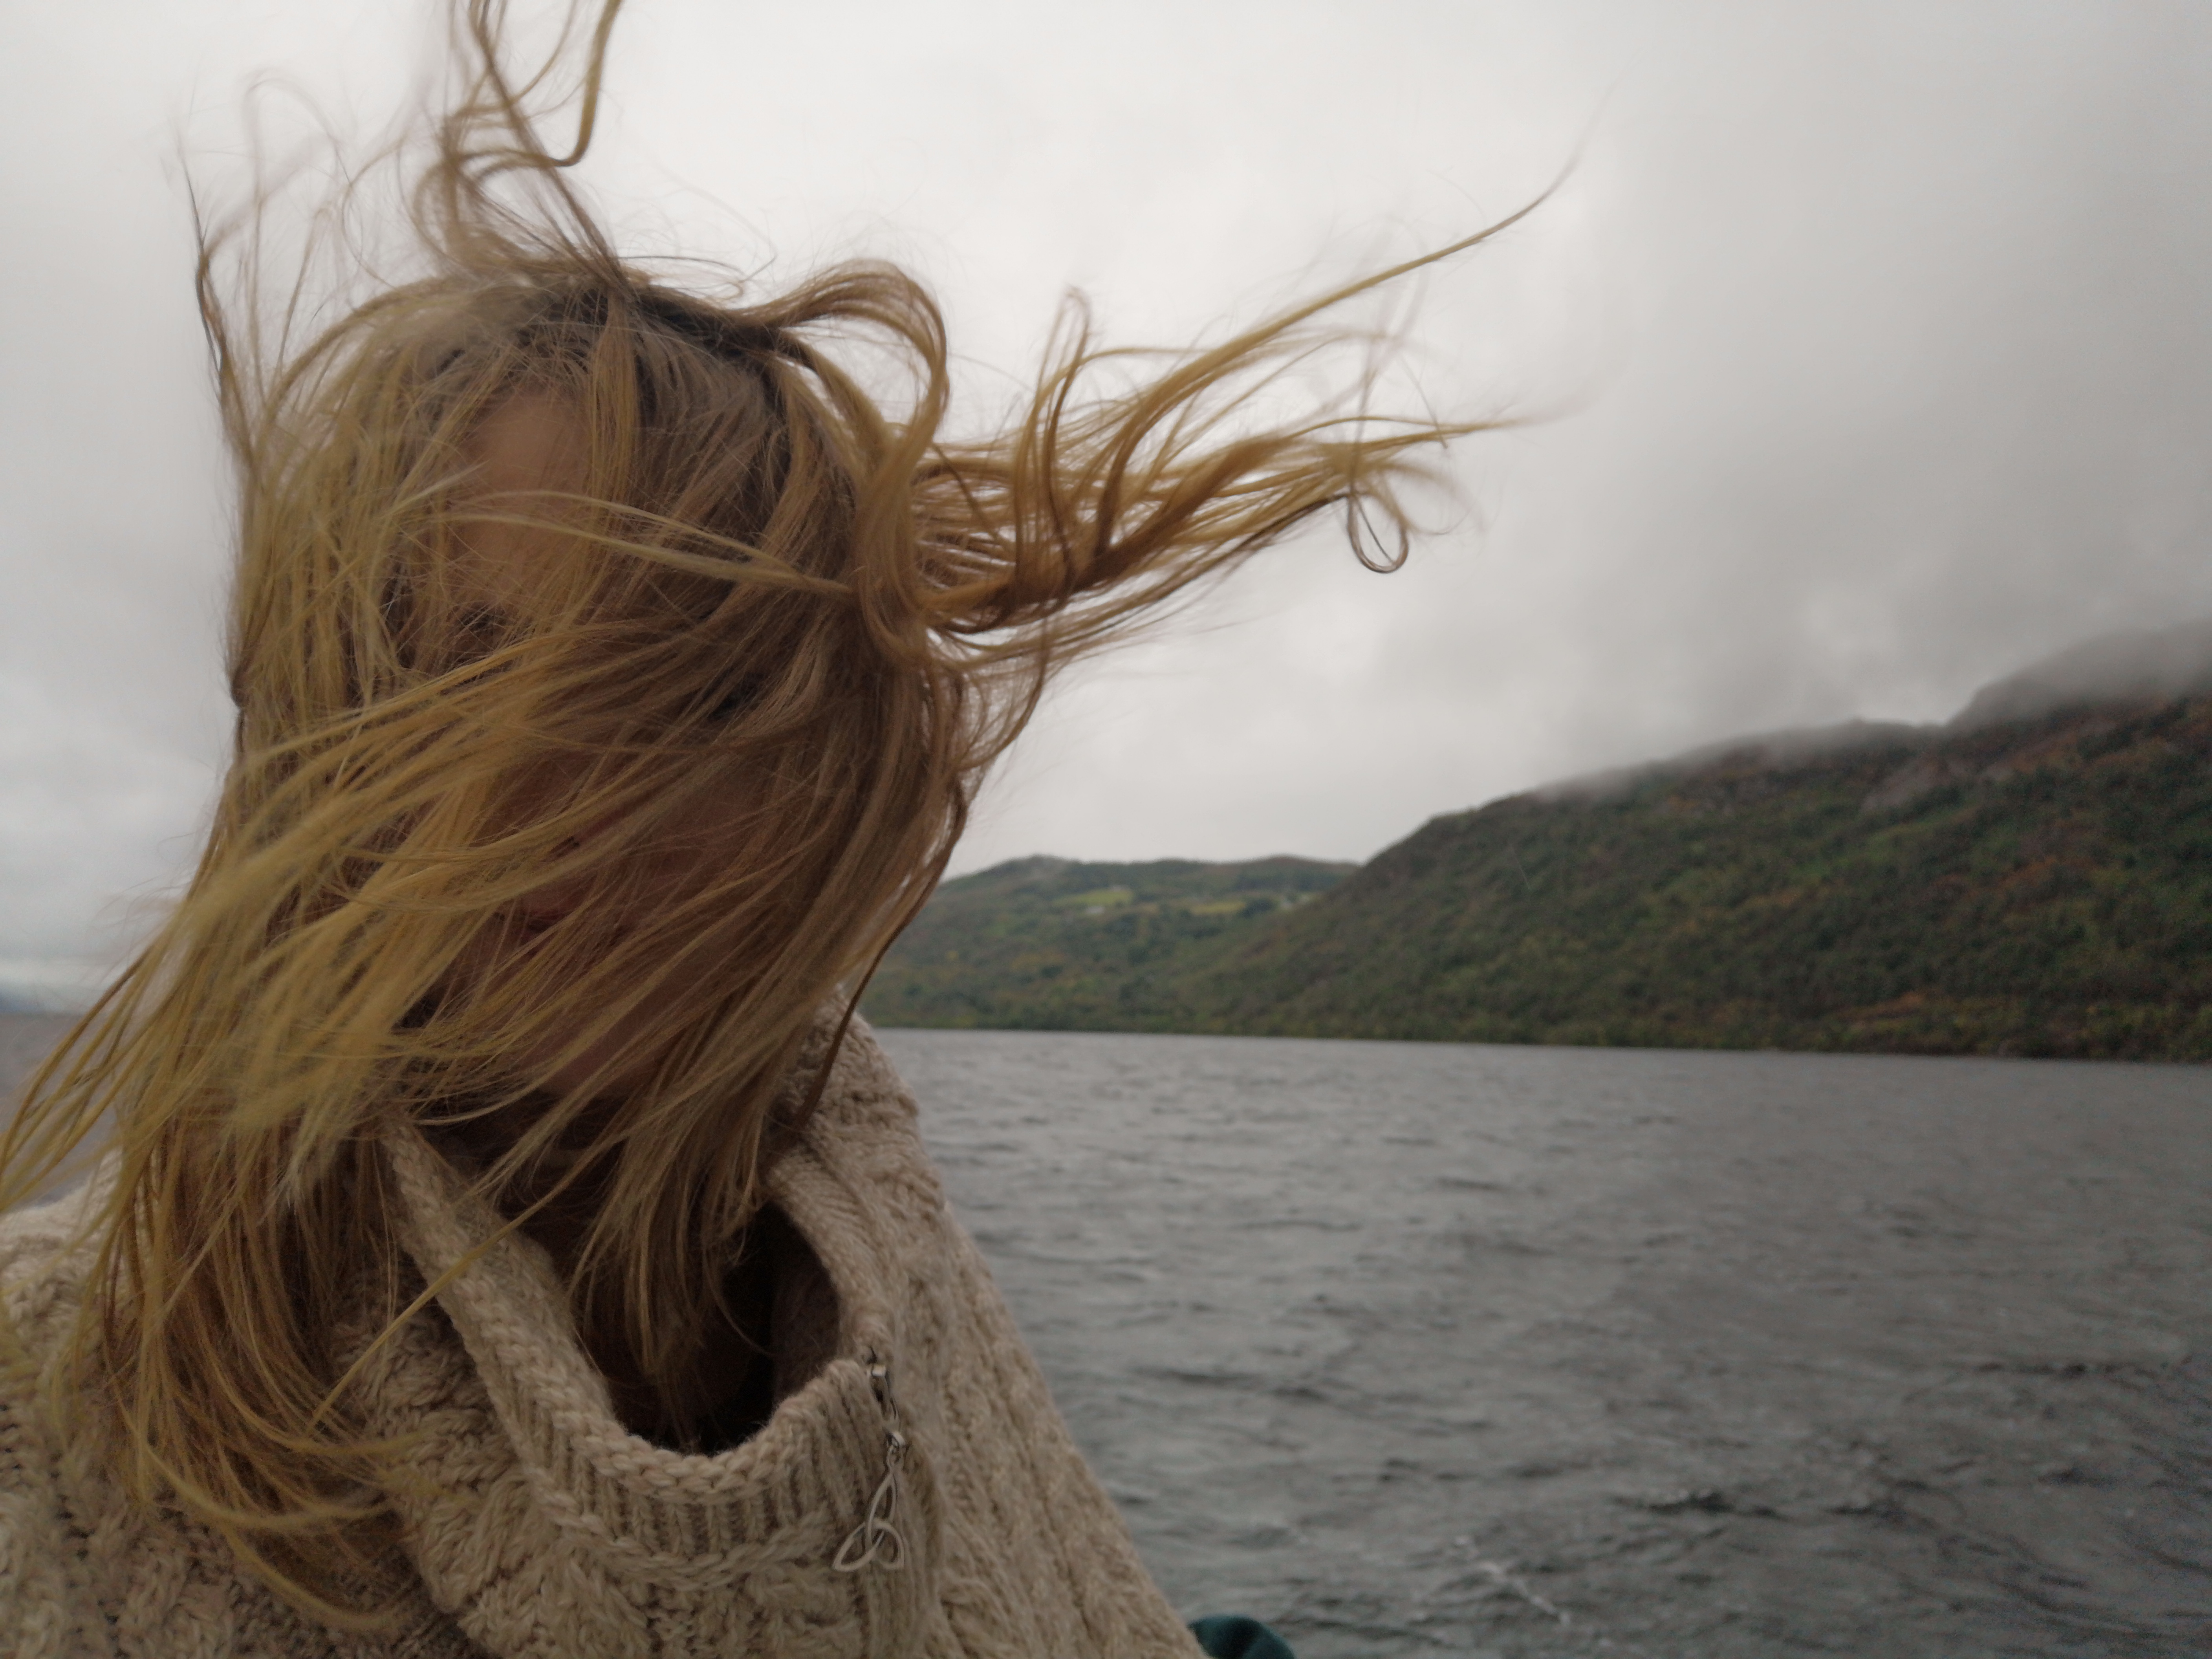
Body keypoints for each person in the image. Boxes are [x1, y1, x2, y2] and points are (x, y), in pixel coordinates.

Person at [0, 3, 1515, 1654]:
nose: (568, 801)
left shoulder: (865, 1269)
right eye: (465, 674)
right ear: (321, 731)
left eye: (699, 697)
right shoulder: (44, 1398)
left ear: (827, 783)